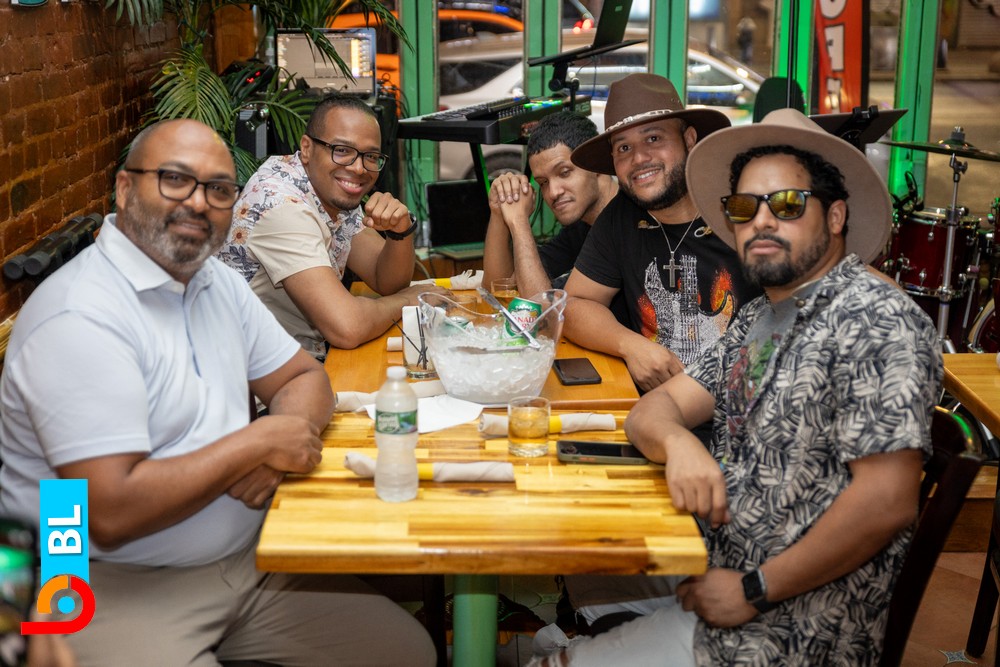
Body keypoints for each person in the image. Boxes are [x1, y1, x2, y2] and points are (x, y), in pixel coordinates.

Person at [0, 119, 435, 666]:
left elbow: (303, 378)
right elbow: (109, 510)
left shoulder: (213, 282)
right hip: (107, 584)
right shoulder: (79, 315)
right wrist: (257, 445)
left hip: (248, 564)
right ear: (125, 189)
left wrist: (281, 440)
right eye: (175, 180)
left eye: (219, 189)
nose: (199, 202)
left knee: (406, 654)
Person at [536, 108, 942, 666]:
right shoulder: (760, 317)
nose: (762, 222)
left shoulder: (874, 317)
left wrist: (753, 590)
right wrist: (678, 443)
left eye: (788, 204)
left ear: (836, 215)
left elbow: (887, 501)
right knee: (581, 547)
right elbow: (654, 410)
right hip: (720, 559)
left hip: (789, 629)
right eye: (745, 207)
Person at [563, 73, 761, 392]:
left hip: (741, 404)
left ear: (690, 139)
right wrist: (630, 345)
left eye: (654, 139)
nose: (639, 158)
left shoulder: (740, 209)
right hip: (656, 405)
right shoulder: (622, 215)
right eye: (623, 147)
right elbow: (574, 304)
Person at [217, 94, 446, 360]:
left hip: (298, 360)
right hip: (257, 377)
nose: (359, 168)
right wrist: (409, 300)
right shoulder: (281, 206)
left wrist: (400, 231)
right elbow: (347, 327)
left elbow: (387, 280)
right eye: (342, 150)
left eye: (370, 156)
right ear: (307, 148)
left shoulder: (325, 189)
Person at [482, 111, 619, 298]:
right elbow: (499, 290)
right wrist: (499, 210)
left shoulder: (624, 223)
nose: (553, 192)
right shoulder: (581, 227)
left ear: (594, 162)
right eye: (543, 182)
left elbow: (540, 305)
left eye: (564, 172)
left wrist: (519, 222)